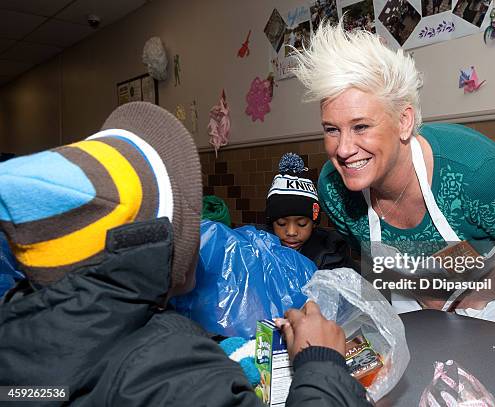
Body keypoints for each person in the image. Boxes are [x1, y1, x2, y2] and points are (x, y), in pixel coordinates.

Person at [0, 102, 371, 406]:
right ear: (155, 245)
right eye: (189, 216)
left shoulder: (17, 345)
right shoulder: (178, 379)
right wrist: (321, 363)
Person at [292, 23, 495, 332]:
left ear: (404, 121)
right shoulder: (335, 190)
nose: (344, 149)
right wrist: (424, 294)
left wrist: (474, 298)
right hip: (418, 281)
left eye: (361, 126)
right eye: (331, 129)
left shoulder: (476, 174)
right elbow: (368, 253)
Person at [266, 152, 358, 271]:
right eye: (281, 223)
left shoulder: (332, 254)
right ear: (271, 222)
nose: (291, 232)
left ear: (314, 223)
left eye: (302, 224)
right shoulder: (259, 247)